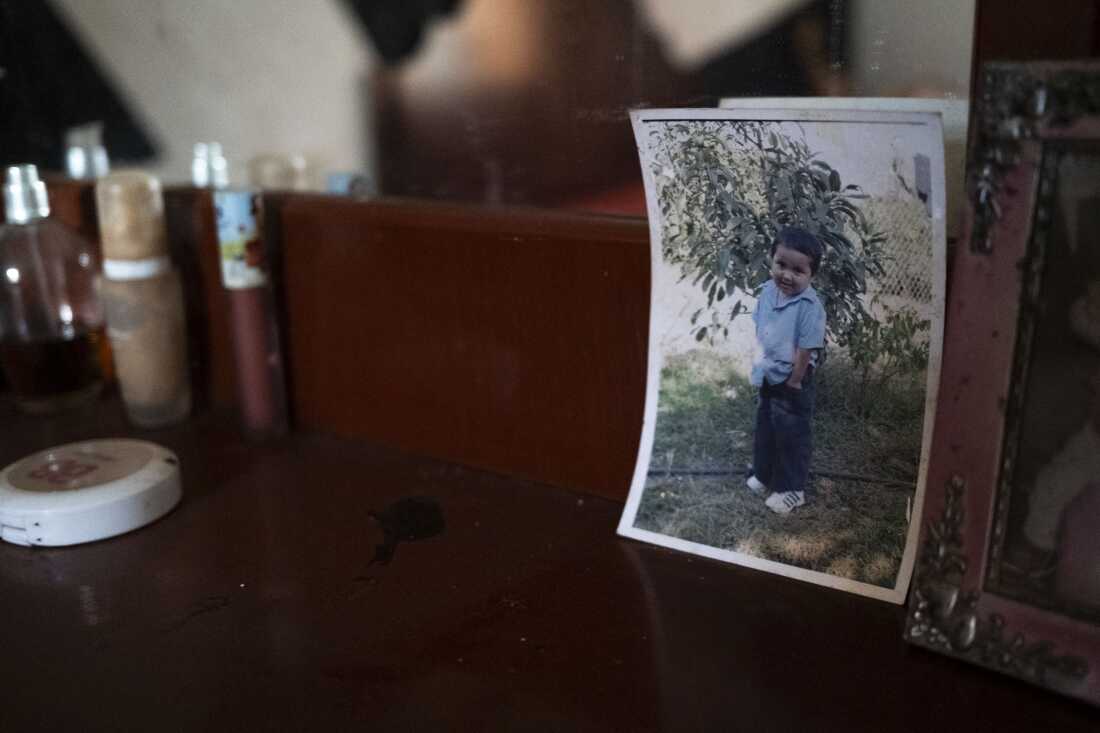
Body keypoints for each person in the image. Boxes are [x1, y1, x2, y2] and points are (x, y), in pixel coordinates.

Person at [744, 226, 827, 515]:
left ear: (811, 275)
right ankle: (764, 473)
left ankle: (792, 489)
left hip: (794, 378)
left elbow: (806, 348)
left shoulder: (809, 306)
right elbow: (761, 328)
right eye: (781, 265)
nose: (787, 275)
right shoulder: (768, 291)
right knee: (766, 426)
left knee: (792, 433)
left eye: (798, 270)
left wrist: (795, 381)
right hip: (769, 371)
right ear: (772, 261)